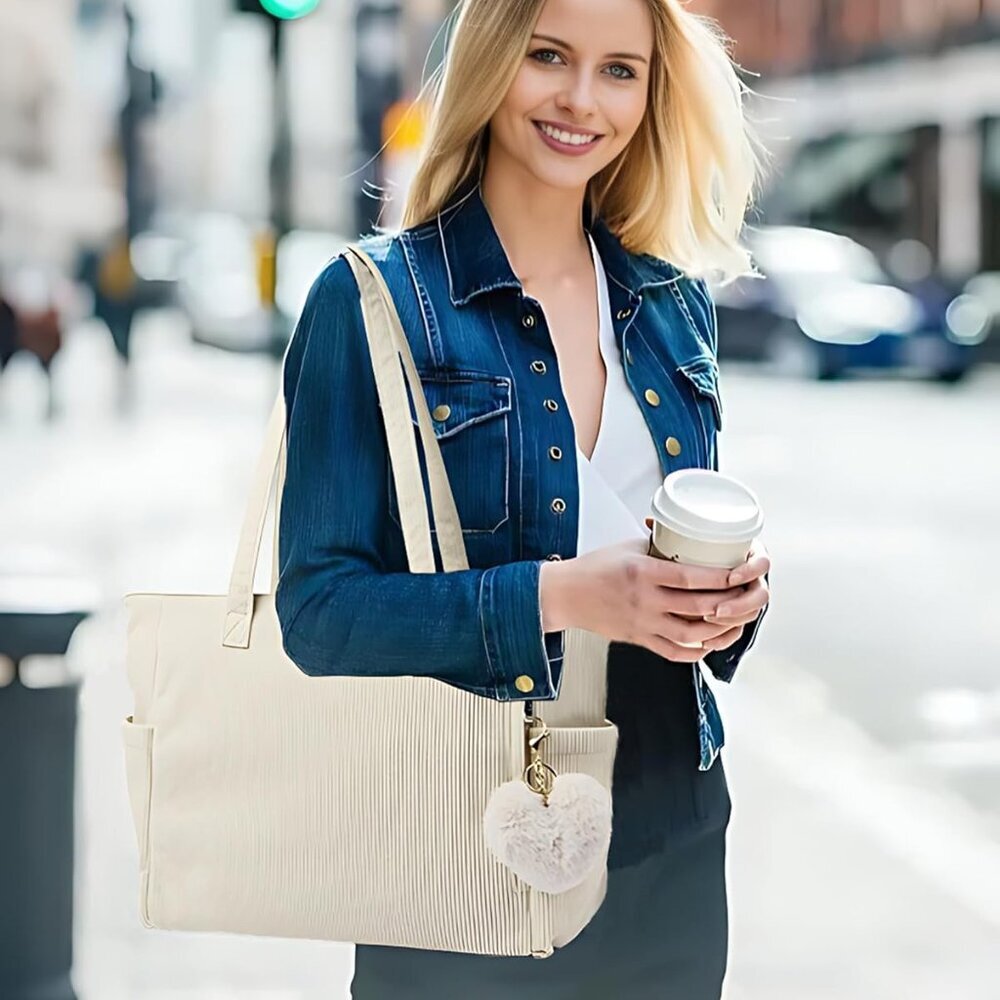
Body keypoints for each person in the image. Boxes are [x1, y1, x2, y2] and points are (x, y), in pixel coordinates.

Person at [276, 0, 771, 995]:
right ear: (492, 59)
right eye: (549, 56)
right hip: (464, 839)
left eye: (619, 70)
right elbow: (318, 613)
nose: (582, 100)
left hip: (671, 826)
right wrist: (561, 596)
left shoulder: (674, 307)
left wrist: (729, 606)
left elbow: (673, 570)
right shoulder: (372, 301)